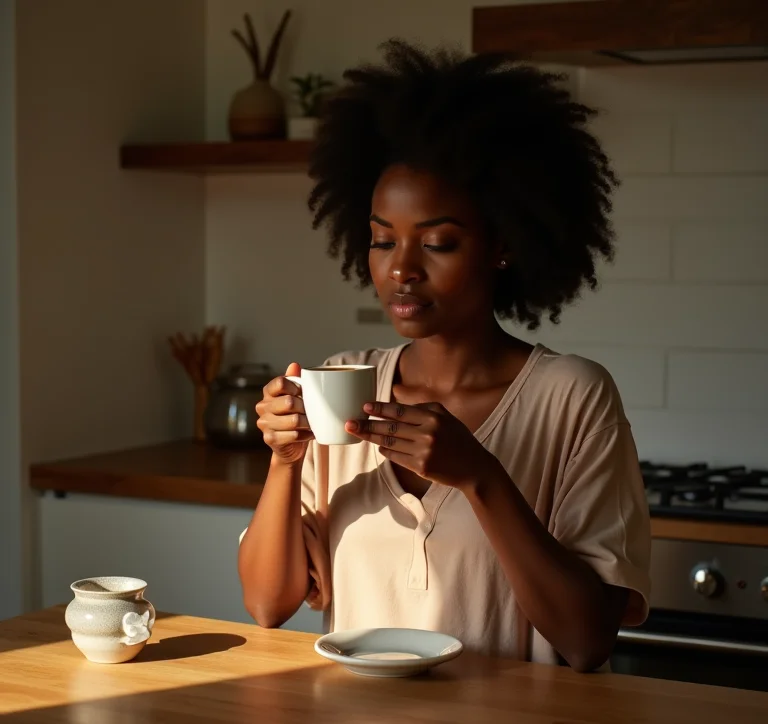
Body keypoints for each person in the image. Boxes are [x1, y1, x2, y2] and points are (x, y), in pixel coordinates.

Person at [238, 40, 650, 672]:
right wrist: (284, 461)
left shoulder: (573, 397)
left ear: (503, 245)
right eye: (382, 241)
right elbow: (267, 605)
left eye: (437, 243)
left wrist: (480, 476)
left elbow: (587, 640)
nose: (401, 269)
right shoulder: (342, 384)